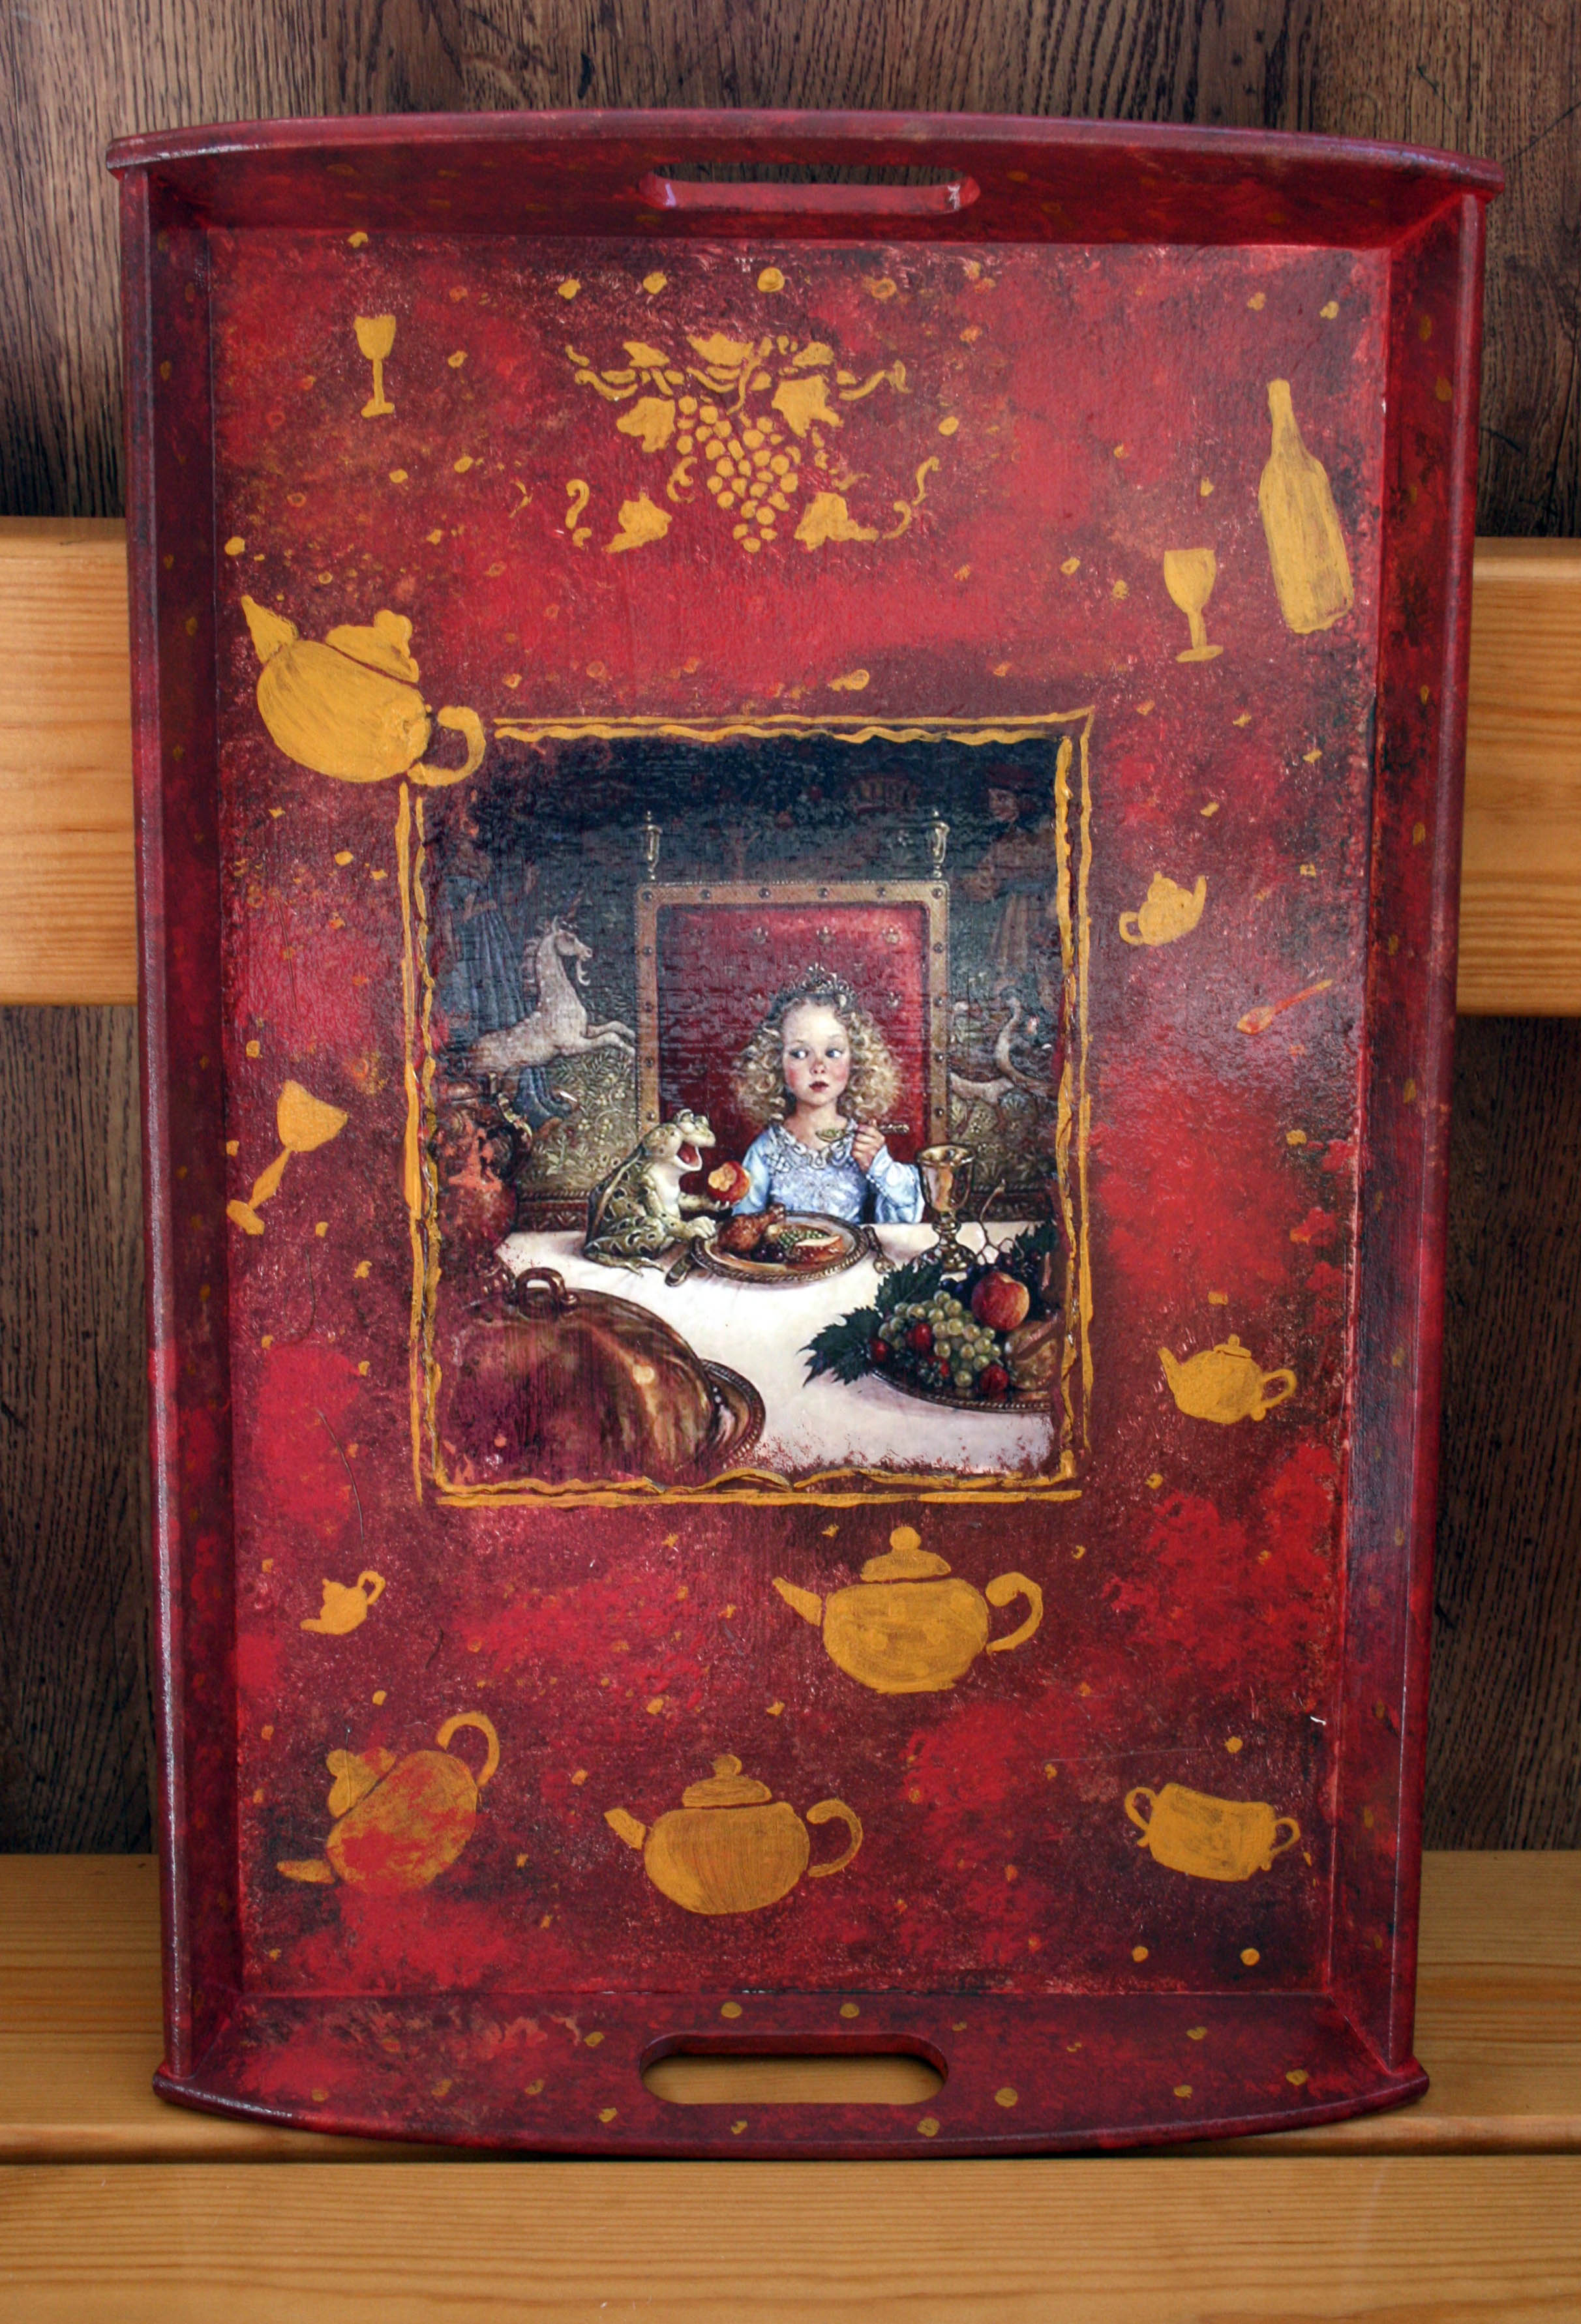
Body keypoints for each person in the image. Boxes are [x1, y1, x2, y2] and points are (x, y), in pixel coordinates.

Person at [729, 968, 923, 1224]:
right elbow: (743, 1225)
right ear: (776, 1063)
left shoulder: (862, 1144)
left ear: (856, 1060)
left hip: (852, 1251)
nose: (818, 1066)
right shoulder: (767, 1149)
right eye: (800, 1054)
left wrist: (879, 1165)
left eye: (832, 1053)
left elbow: (903, 1219)